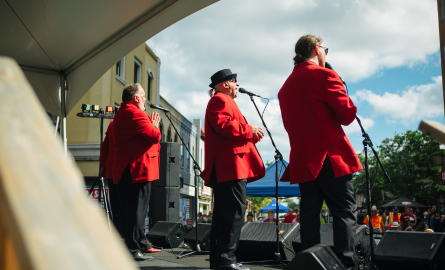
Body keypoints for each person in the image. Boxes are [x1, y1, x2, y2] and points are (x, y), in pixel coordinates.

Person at [278, 35, 363, 269]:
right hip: (329, 156)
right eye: (325, 49)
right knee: (344, 213)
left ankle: (311, 263)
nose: (326, 53)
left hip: (304, 159)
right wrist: (339, 84)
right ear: (317, 49)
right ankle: (345, 264)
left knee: (310, 216)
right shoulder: (325, 75)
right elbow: (347, 116)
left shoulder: (285, 87)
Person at [201, 69, 266, 270]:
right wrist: (249, 130)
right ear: (226, 84)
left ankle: (220, 260)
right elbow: (224, 125)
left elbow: (228, 129)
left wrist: (251, 133)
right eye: (235, 82)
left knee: (226, 214)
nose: (238, 86)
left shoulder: (222, 100)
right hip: (231, 166)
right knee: (234, 212)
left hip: (230, 166)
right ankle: (226, 259)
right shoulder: (220, 100)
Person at [113, 83, 161, 261]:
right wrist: (154, 124)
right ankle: (133, 250)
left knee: (135, 211)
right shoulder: (134, 113)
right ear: (136, 98)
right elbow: (154, 136)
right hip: (135, 171)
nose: (146, 100)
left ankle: (140, 244)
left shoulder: (124, 112)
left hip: (132, 170)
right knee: (136, 212)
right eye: (144, 96)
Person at [100, 119, 123, 236]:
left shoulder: (113, 123)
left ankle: (117, 235)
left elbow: (105, 147)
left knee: (115, 207)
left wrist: (104, 167)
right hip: (124, 170)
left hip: (111, 170)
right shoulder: (133, 122)